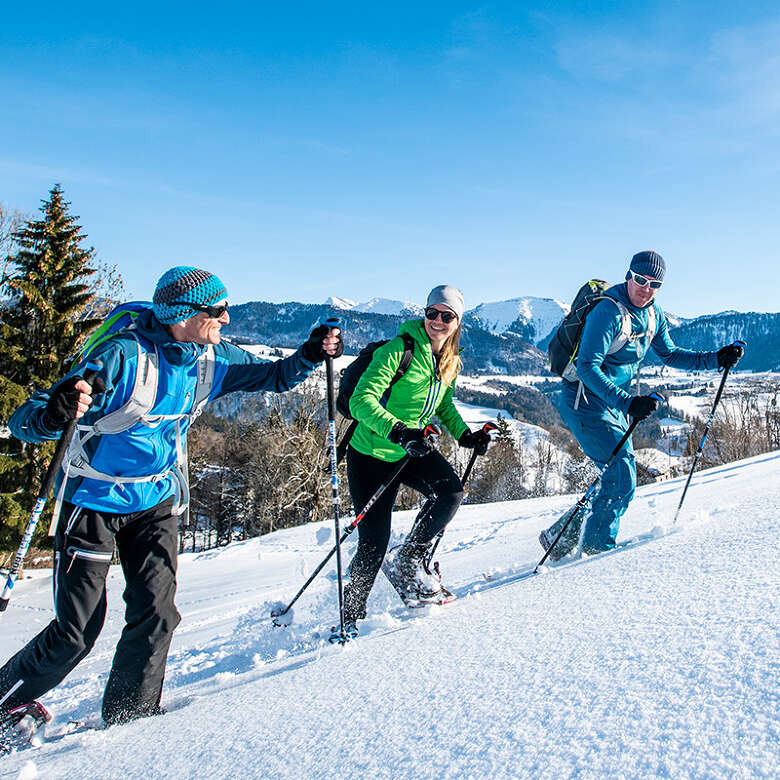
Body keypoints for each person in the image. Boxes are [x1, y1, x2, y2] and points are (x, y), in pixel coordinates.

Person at [0, 266, 342, 736]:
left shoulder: (210, 358)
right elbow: (31, 418)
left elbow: (275, 375)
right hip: (93, 500)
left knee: (157, 614)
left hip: (155, 499)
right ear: (184, 315)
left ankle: (131, 723)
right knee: (76, 631)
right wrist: (52, 410)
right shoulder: (122, 357)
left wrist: (308, 352)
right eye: (217, 311)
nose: (226, 319)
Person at [542, 251, 744, 558]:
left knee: (614, 475)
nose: (645, 288)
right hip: (585, 402)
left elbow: (670, 354)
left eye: (654, 283)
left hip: (615, 405)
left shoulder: (653, 314)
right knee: (622, 477)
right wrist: (627, 402)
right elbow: (586, 366)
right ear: (628, 275)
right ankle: (595, 552)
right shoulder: (608, 312)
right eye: (640, 279)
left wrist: (715, 359)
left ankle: (560, 538)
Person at [342, 284, 491, 635]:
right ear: (424, 314)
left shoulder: (450, 361)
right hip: (371, 454)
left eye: (447, 315)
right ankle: (350, 614)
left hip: (413, 450)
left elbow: (442, 405)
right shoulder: (398, 351)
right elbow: (360, 401)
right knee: (373, 542)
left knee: (450, 493)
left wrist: (465, 435)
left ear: (457, 322)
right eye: (432, 313)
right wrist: (398, 431)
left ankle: (410, 560)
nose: (438, 321)